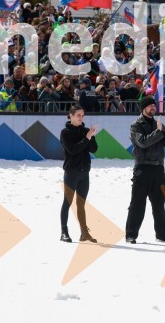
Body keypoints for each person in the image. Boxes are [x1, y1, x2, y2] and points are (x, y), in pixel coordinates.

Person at [124, 96, 165, 244]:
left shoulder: (158, 124)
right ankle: (131, 235)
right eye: (150, 106)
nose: (153, 108)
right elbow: (143, 142)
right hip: (142, 168)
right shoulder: (136, 125)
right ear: (144, 108)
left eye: (154, 105)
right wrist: (159, 131)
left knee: (159, 204)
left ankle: (162, 234)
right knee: (137, 204)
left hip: (158, 168)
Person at [60, 104, 99, 243]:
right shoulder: (65, 132)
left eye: (82, 115)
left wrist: (91, 137)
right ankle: (64, 232)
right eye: (78, 115)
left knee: (81, 203)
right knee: (67, 202)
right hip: (71, 172)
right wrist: (86, 138)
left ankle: (84, 233)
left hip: (84, 172)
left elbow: (94, 149)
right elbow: (72, 150)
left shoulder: (86, 131)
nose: (81, 118)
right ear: (71, 116)